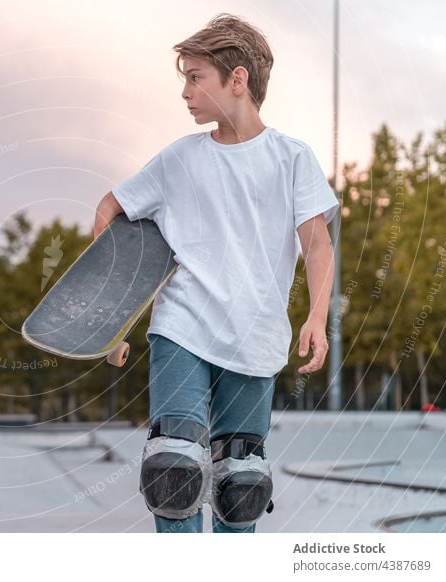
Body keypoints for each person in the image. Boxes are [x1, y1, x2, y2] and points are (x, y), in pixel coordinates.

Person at [93, 14, 339, 533]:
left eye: (195, 76)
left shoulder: (291, 158)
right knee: (173, 471)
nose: (185, 91)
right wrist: (111, 320)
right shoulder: (179, 158)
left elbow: (317, 244)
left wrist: (316, 317)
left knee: (240, 485)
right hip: (181, 328)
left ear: (238, 79)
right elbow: (110, 208)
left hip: (256, 336)